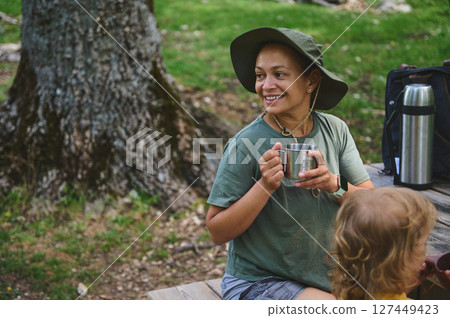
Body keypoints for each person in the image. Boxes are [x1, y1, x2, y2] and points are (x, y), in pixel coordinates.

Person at [206, 27, 374, 300]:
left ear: (311, 80)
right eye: (260, 75)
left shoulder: (335, 130)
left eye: (279, 74)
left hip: (327, 276)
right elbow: (216, 230)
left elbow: (373, 205)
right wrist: (265, 186)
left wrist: (334, 183)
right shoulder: (245, 143)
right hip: (259, 282)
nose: (266, 85)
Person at [332, 188, 438, 300]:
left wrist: (408, 279)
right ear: (397, 263)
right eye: (424, 244)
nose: (427, 253)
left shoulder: (350, 292)